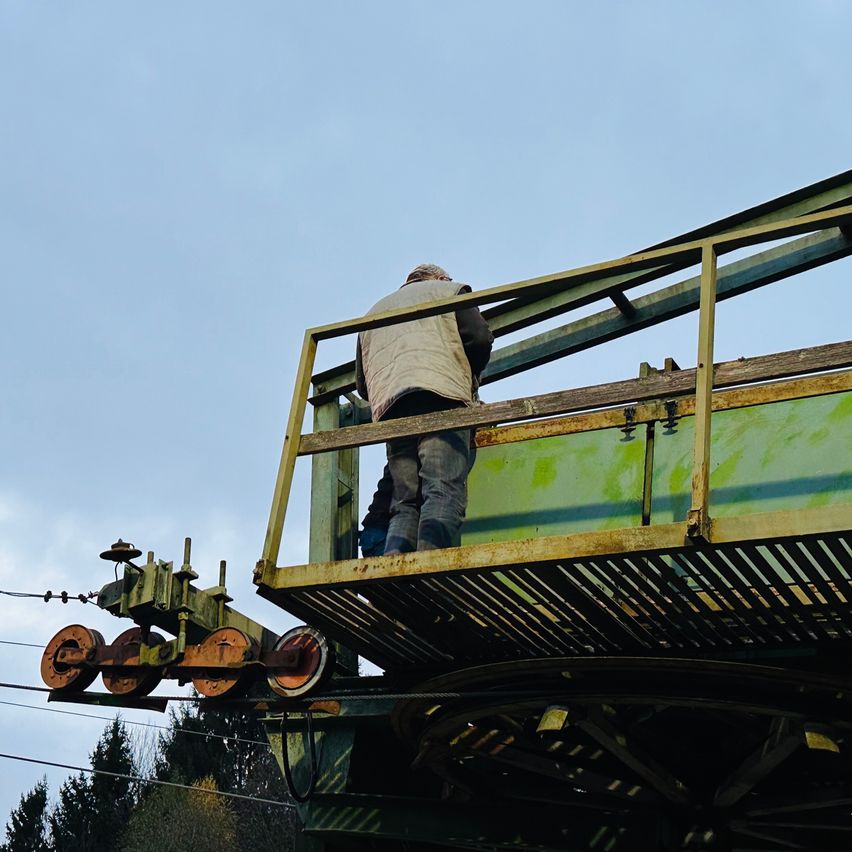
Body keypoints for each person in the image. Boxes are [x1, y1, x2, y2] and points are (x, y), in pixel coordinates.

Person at [355, 263, 493, 554]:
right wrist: (467, 378)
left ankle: (397, 574)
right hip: (441, 397)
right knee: (442, 490)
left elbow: (363, 385)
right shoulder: (450, 291)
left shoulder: (372, 314)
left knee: (404, 502)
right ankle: (429, 573)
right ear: (440, 278)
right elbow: (480, 339)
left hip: (392, 410)